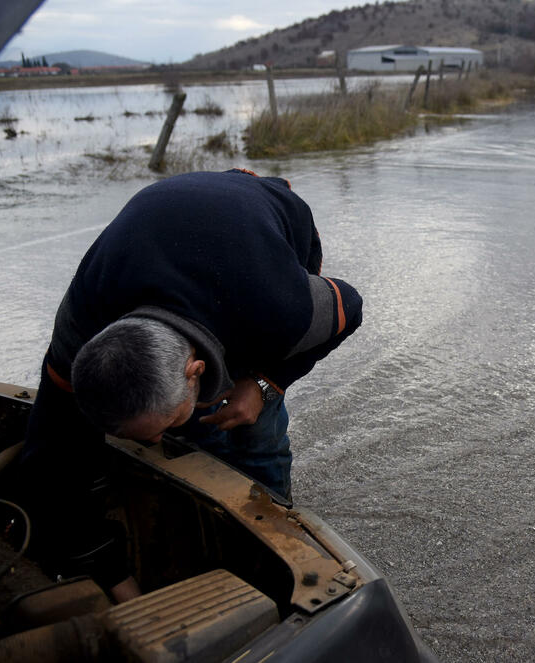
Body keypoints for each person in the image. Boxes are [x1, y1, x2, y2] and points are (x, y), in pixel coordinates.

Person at [18, 169, 362, 600]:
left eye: (163, 428)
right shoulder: (79, 332)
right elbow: (50, 461)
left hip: (265, 212)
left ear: (195, 370)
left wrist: (265, 383)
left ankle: (270, 545)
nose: (158, 442)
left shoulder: (278, 306)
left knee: (255, 430)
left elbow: (351, 304)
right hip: (163, 233)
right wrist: (113, 577)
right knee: (192, 430)